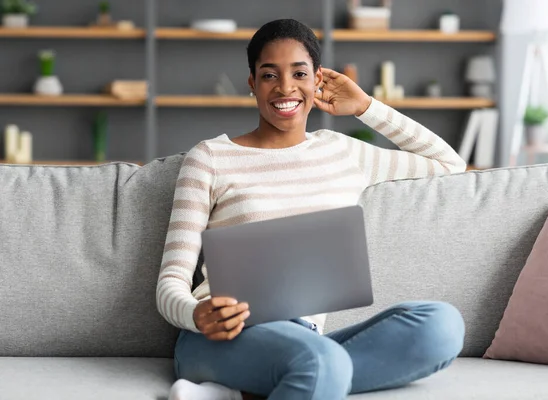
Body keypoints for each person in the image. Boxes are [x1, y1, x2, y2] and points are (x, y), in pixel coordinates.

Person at [157, 18, 466, 400]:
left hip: (304, 337)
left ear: (317, 79)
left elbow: (449, 164)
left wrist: (366, 107)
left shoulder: (342, 151)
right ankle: (290, 378)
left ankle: (241, 392)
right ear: (252, 83)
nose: (285, 87)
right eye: (269, 75)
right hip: (219, 336)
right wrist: (195, 315)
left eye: (299, 73)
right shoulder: (209, 158)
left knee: (441, 327)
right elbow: (170, 282)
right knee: (322, 361)